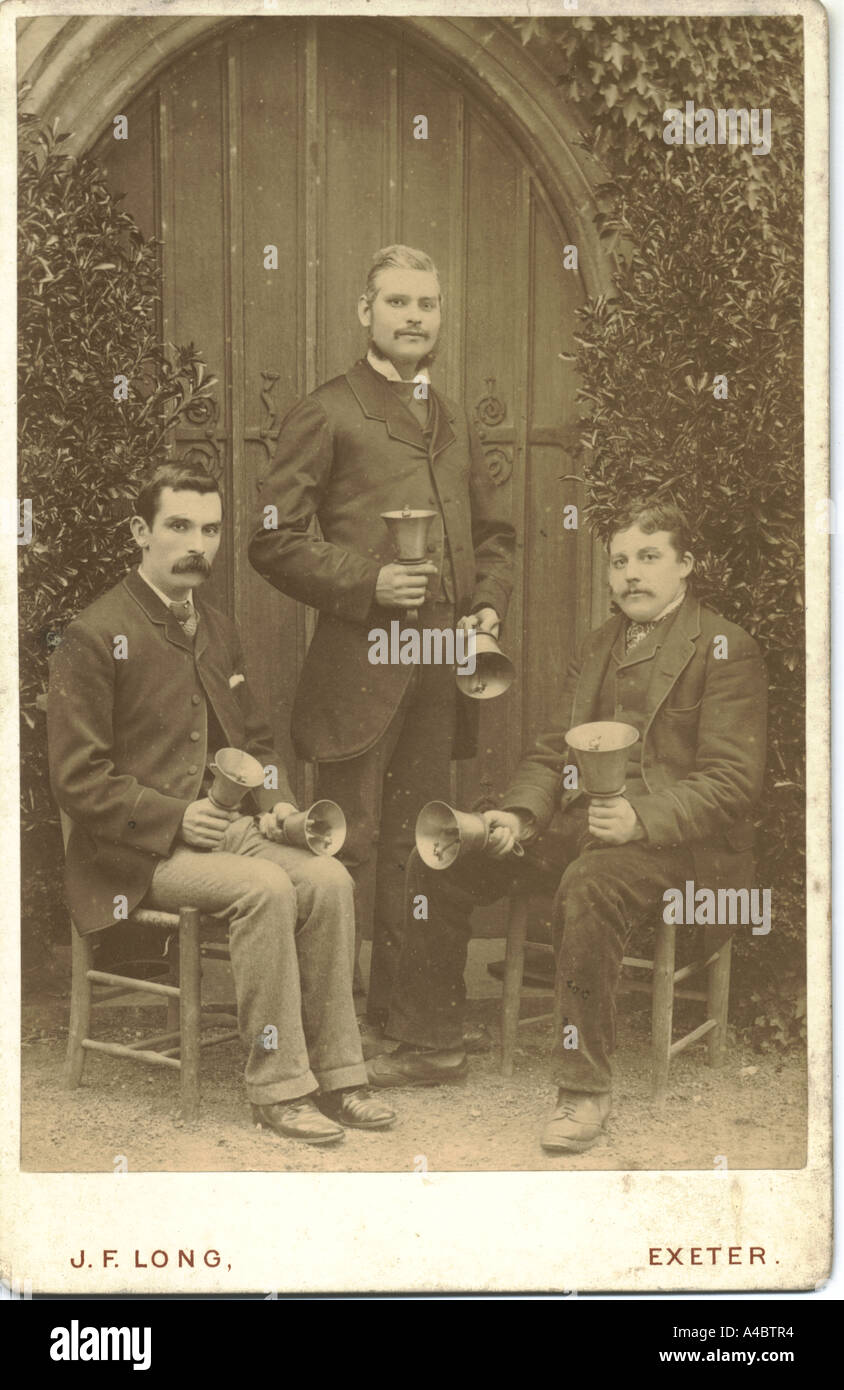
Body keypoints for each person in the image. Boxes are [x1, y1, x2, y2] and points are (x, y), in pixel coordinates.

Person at [366, 499, 767, 1154]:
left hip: (681, 849)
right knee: (448, 851)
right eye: (619, 561)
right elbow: (554, 754)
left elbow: (732, 784)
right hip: (586, 826)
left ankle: (584, 1090)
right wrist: (518, 817)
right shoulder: (599, 645)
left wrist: (641, 816)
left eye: (649, 557)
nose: (631, 574)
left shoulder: (725, 648)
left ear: (686, 566)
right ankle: (431, 1044)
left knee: (591, 881)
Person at [48, 462, 395, 1145]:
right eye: (178, 527)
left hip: (223, 834)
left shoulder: (216, 627)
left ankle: (339, 1074)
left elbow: (258, 744)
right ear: (139, 532)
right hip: (132, 853)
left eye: (209, 529)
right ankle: (278, 1087)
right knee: (265, 889)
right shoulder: (91, 634)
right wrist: (174, 816)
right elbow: (76, 780)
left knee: (327, 878)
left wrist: (278, 807)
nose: (196, 545)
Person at [248, 245, 514, 1037]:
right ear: (365, 312)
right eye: (396, 302)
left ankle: (408, 1027)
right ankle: (321, 1038)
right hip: (360, 671)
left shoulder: (452, 413)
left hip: (441, 668)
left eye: (425, 305)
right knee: (346, 849)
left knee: (422, 847)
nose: (412, 317)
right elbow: (272, 537)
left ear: (439, 317)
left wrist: (486, 608)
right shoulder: (327, 410)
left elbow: (495, 536)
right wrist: (369, 583)